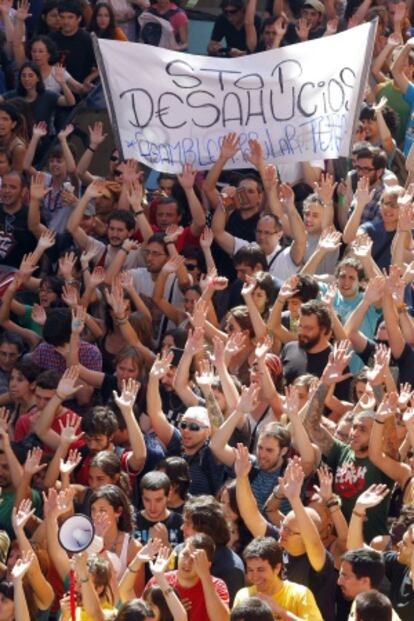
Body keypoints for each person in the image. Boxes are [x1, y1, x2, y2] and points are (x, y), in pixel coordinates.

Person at [234, 537, 323, 621]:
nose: (255, 576)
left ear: (277, 568)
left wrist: (280, 611)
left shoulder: (299, 594)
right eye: (250, 570)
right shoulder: (243, 596)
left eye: (260, 570)